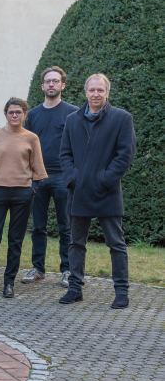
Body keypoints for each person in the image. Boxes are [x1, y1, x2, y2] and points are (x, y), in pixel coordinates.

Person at [59, 74, 136, 309]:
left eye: (100, 90)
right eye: (92, 90)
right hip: (79, 191)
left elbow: (125, 155)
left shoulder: (121, 118)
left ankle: (121, 291)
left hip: (108, 192)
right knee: (76, 243)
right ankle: (75, 288)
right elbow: (65, 154)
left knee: (116, 243)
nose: (95, 94)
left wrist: (105, 179)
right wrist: (74, 178)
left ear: (107, 92)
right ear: (85, 92)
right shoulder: (72, 120)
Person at [0, 97, 47, 298]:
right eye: (11, 112)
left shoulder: (32, 138)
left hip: (22, 193)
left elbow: (39, 170)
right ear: (5, 114)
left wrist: (33, 189)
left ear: (24, 114)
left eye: (18, 112)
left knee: (15, 240)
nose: (14, 115)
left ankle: (9, 282)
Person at [23, 66, 78, 287]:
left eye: (56, 81)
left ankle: (67, 270)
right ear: (42, 86)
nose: (52, 85)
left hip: (64, 177)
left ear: (63, 85)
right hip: (38, 178)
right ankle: (38, 268)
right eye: (48, 81)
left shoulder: (73, 113)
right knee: (38, 226)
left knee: (67, 226)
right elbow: (25, 146)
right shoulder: (33, 115)